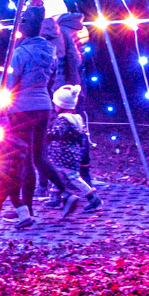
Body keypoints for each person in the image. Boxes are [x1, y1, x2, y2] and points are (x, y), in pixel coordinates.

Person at [0, 4, 66, 229]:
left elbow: (8, 86)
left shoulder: (20, 52)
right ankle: (27, 208)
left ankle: (25, 210)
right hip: (44, 106)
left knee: (21, 160)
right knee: (37, 155)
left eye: (24, 20)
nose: (21, 23)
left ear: (32, 24)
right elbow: (50, 79)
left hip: (23, 109)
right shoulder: (49, 50)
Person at [41, 0, 91, 192]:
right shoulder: (77, 27)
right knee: (77, 131)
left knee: (54, 136)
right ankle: (83, 178)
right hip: (76, 87)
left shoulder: (54, 32)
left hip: (57, 91)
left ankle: (55, 184)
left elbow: (53, 64)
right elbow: (77, 60)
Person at [46, 84, 103, 215]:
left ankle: (93, 199)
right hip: (71, 154)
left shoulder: (63, 120)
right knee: (58, 175)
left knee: (73, 178)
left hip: (64, 156)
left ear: (59, 105)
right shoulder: (76, 118)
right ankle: (55, 198)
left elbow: (56, 133)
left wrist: (46, 134)